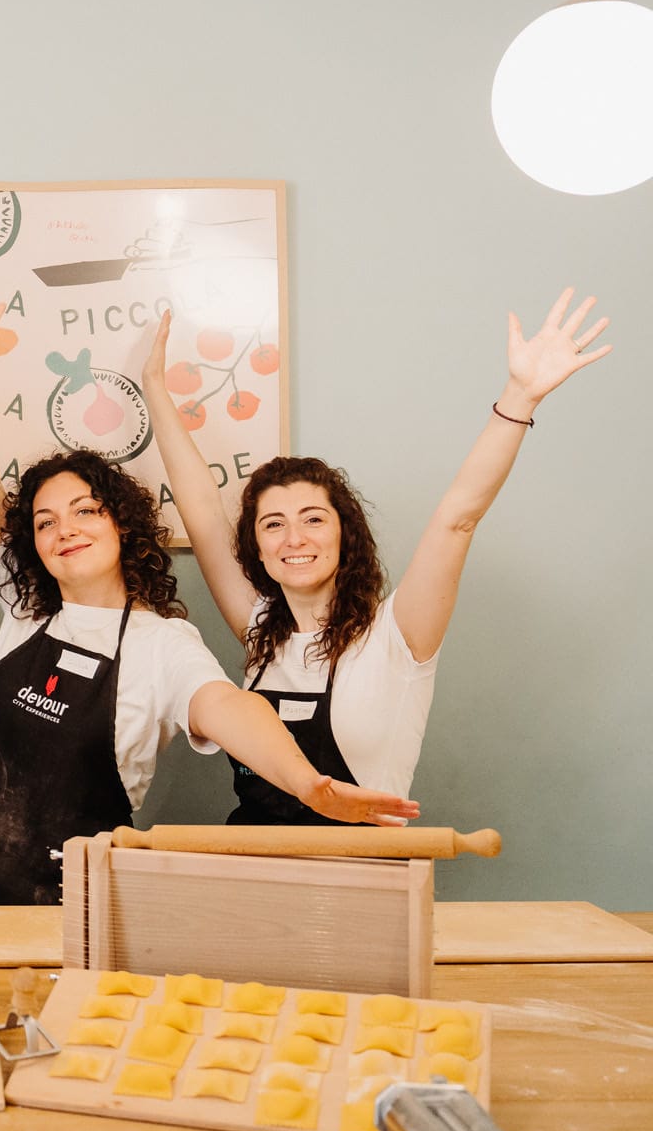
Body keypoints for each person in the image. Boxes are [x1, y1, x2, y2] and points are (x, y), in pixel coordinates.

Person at [0, 300, 420, 903]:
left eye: (86, 512)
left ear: (124, 527)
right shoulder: (27, 607)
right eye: (45, 521)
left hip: (74, 902)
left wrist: (308, 783)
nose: (65, 530)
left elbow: (231, 709)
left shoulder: (163, 644)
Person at [140, 291, 613, 823]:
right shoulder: (260, 632)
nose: (293, 537)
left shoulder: (397, 635)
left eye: (314, 519)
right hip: (254, 869)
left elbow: (458, 518)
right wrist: (154, 388)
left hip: (361, 878)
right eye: (274, 524)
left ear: (346, 538)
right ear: (259, 551)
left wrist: (520, 399)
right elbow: (202, 512)